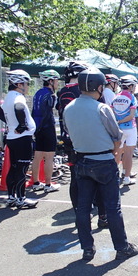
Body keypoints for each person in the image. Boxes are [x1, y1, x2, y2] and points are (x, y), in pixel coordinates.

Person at [63, 67, 138, 261]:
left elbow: (68, 131)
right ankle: (122, 246)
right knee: (113, 207)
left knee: (83, 207)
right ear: (99, 87)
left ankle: (87, 248)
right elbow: (116, 135)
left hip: (81, 159)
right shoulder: (101, 108)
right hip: (104, 160)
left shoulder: (69, 108)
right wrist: (115, 151)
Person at [0, 70, 38, 209]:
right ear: (19, 84)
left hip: (12, 138)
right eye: (26, 84)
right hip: (22, 138)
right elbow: (19, 107)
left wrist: (11, 124)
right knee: (22, 169)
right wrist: (22, 125)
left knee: (14, 168)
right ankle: (21, 198)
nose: (27, 87)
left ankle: (11, 197)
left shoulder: (8, 96)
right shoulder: (18, 97)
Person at [57, 61, 85, 209]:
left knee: (74, 174)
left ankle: (76, 207)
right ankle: (88, 206)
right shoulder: (81, 92)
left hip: (67, 137)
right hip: (82, 138)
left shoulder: (61, 92)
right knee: (86, 175)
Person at [30, 69, 61, 193]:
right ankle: (48, 184)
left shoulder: (37, 93)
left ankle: (36, 182)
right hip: (47, 127)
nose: (57, 83)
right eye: (56, 80)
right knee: (49, 157)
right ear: (51, 81)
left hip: (37, 127)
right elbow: (48, 112)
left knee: (37, 156)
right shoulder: (51, 95)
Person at [111, 75, 138, 186]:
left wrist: (118, 122)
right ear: (130, 86)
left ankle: (115, 176)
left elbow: (112, 113)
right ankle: (127, 177)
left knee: (117, 152)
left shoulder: (115, 97)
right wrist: (122, 121)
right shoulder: (132, 97)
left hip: (118, 129)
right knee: (128, 153)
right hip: (130, 128)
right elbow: (132, 116)